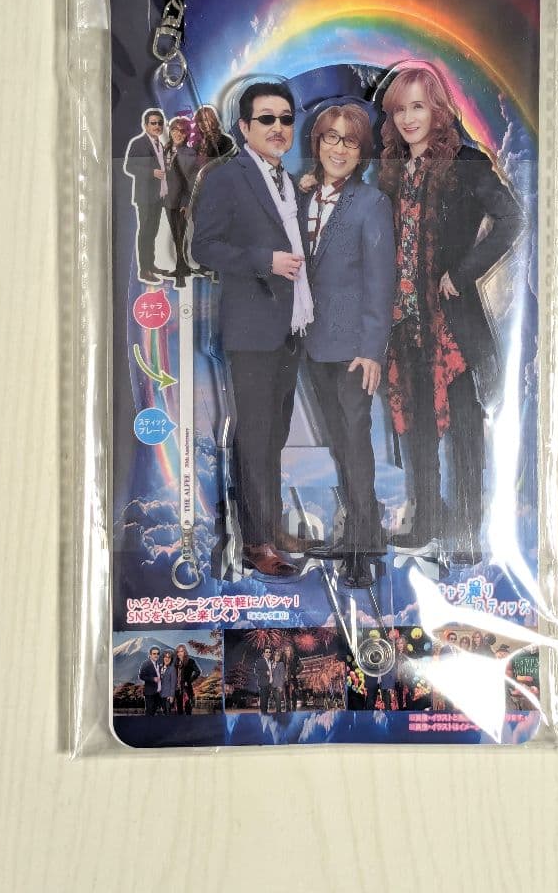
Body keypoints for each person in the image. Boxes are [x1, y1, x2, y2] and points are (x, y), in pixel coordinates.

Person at [378, 63, 525, 565]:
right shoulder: (392, 169)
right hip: (404, 319)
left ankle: (465, 533)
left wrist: (461, 274)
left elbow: (512, 218)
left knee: (464, 426)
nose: (408, 118)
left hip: (452, 322)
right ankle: (426, 523)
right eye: (400, 109)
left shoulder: (466, 162)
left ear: (438, 110)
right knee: (417, 425)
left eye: (418, 106)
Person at [191, 82, 312, 577]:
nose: (278, 127)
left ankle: (269, 526)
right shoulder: (227, 178)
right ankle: (256, 543)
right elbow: (203, 247)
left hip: (290, 326)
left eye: (285, 118)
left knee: (274, 434)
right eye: (266, 119)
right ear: (244, 127)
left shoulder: (288, 179)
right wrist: (265, 260)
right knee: (256, 435)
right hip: (252, 329)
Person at [295, 105, 395, 588]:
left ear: (361, 153)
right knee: (339, 440)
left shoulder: (371, 203)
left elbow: (381, 280)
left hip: (355, 347)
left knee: (355, 441)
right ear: (317, 143)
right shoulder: (302, 198)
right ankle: (356, 531)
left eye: (349, 141)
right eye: (330, 138)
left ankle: (364, 545)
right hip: (314, 343)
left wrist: (373, 348)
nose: (338, 149)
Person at [123, 109, 168, 283]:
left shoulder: (160, 144)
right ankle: (144, 270)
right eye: (153, 123)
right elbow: (129, 166)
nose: (157, 126)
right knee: (145, 233)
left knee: (153, 231)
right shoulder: (138, 143)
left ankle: (150, 265)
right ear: (145, 125)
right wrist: (151, 172)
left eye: (160, 123)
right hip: (145, 196)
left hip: (158, 195)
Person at [163, 116, 198, 285]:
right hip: (167, 199)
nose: (178, 133)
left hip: (180, 201)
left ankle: (181, 272)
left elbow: (189, 181)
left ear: (186, 135)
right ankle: (181, 267)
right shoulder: (165, 150)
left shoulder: (189, 153)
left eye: (182, 131)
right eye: (174, 130)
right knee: (175, 235)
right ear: (170, 132)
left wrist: (186, 203)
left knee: (181, 234)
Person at [173, 644, 201, 715]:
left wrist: (189, 680)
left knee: (188, 708)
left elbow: (198, 671)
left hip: (186, 689)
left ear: (185, 652)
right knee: (179, 709)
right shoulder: (175, 663)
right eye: (178, 651)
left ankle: (188, 721)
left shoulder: (190, 661)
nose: (179, 653)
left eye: (181, 651)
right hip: (177, 689)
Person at [138, 646, 165, 716]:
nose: (156, 655)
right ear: (150, 655)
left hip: (158, 694)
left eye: (158, 653)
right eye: (154, 653)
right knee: (149, 713)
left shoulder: (159, 664)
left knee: (155, 712)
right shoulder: (145, 663)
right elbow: (141, 676)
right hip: (150, 693)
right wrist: (153, 679)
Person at [254, 647, 274, 714]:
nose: (268, 653)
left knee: (266, 699)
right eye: (266, 652)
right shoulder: (260, 661)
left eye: (269, 652)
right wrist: (265, 672)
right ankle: (263, 714)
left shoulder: (270, 662)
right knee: (263, 700)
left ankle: (265, 713)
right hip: (263, 683)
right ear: (264, 653)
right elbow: (256, 671)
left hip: (269, 684)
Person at [159, 649, 177, 714]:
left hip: (168, 696)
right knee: (162, 713)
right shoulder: (160, 668)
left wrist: (171, 695)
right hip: (160, 695)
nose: (167, 659)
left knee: (167, 713)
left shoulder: (172, 669)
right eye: (165, 657)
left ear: (171, 659)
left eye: (169, 657)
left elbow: (173, 683)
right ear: (163, 658)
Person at [283, 642, 301, 711]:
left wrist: (295, 673)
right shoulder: (283, 660)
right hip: (286, 681)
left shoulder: (295, 657)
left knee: (294, 697)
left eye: (288, 650)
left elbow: (302, 666)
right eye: (286, 650)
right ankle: (288, 711)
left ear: (291, 650)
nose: (287, 652)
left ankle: (294, 711)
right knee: (287, 697)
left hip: (293, 680)